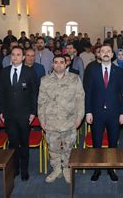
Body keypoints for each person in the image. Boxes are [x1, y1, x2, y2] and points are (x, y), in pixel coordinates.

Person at [38, 55, 85, 184]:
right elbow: (41, 102)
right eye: (56, 62)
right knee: (53, 148)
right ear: (52, 65)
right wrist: (42, 120)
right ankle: (56, 169)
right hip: (51, 122)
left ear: (66, 64)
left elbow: (80, 99)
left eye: (61, 62)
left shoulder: (75, 79)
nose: (58, 65)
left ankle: (67, 169)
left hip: (69, 121)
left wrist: (79, 117)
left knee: (68, 147)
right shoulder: (45, 80)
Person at [84, 44, 123, 182]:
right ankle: (97, 169)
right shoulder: (92, 70)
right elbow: (88, 93)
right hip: (96, 113)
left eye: (108, 51)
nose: (106, 53)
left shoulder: (119, 71)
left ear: (112, 55)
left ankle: (111, 169)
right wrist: (88, 111)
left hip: (115, 113)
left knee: (113, 143)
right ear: (99, 55)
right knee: (97, 143)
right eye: (103, 51)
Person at [0, 46, 39, 181]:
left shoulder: (29, 72)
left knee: (24, 143)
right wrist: (1, 111)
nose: (15, 57)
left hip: (25, 114)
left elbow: (34, 93)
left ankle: (24, 170)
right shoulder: (4, 72)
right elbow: (1, 93)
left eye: (18, 55)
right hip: (9, 114)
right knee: (13, 143)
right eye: (13, 54)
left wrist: (33, 112)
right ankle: (15, 168)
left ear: (23, 57)